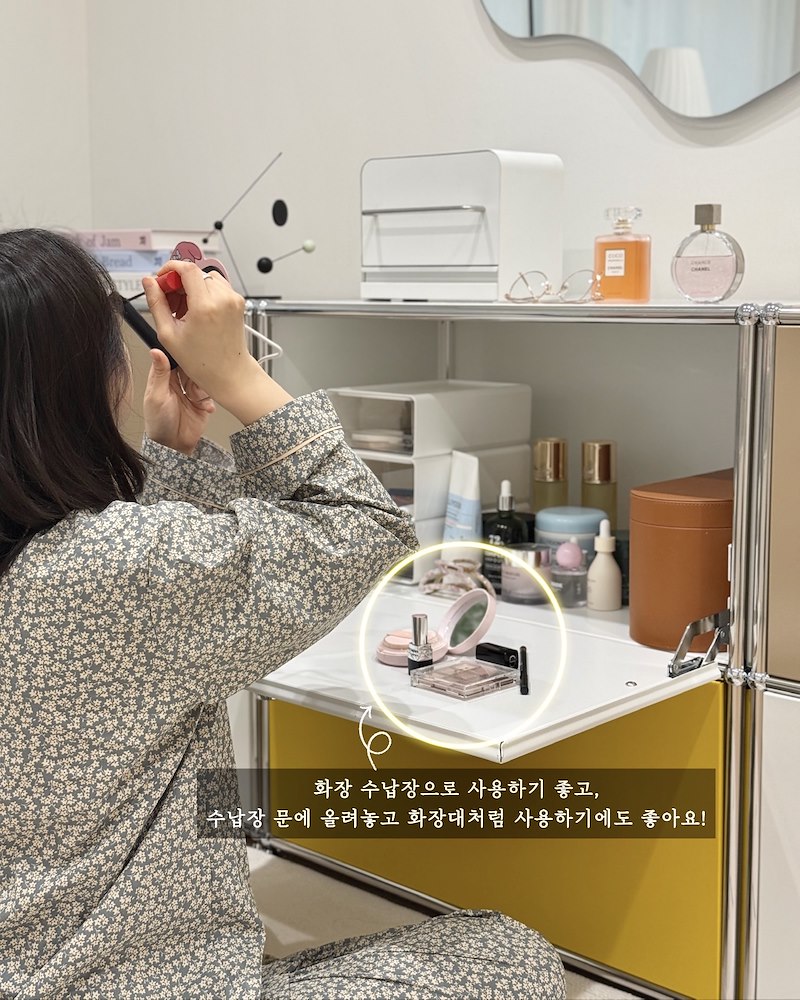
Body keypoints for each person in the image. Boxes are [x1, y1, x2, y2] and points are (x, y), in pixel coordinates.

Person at [0, 229, 565, 999]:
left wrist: (173, 457)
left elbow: (147, 630)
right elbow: (364, 526)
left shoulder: (77, 564)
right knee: (507, 954)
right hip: (138, 981)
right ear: (83, 382)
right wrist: (236, 373)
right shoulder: (109, 568)